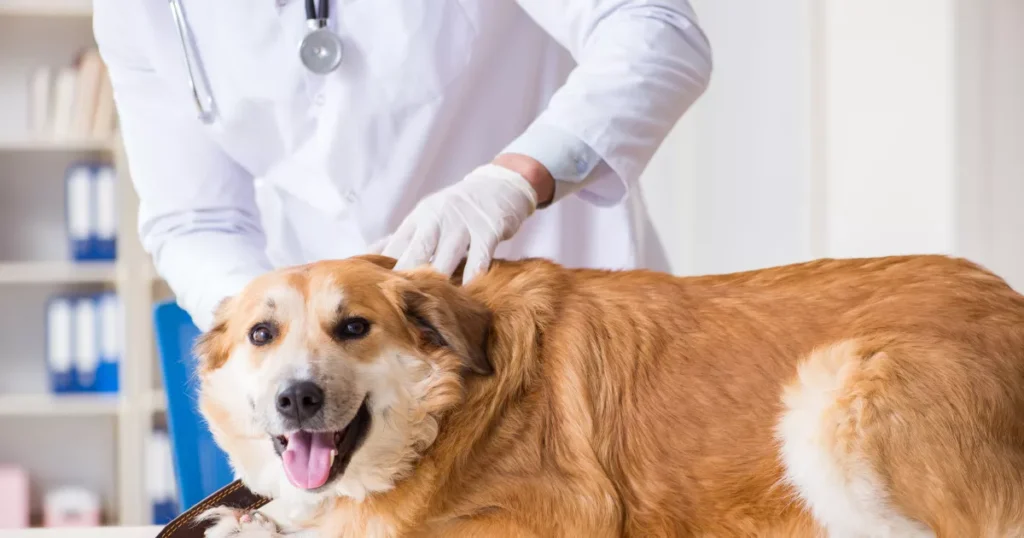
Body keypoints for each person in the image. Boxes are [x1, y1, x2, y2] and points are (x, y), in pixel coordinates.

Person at [93, 1, 712, 332]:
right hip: (356, 367)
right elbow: (196, 220)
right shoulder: (142, 10)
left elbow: (655, 32)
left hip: (562, 314)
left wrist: (511, 181)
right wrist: (277, 329)